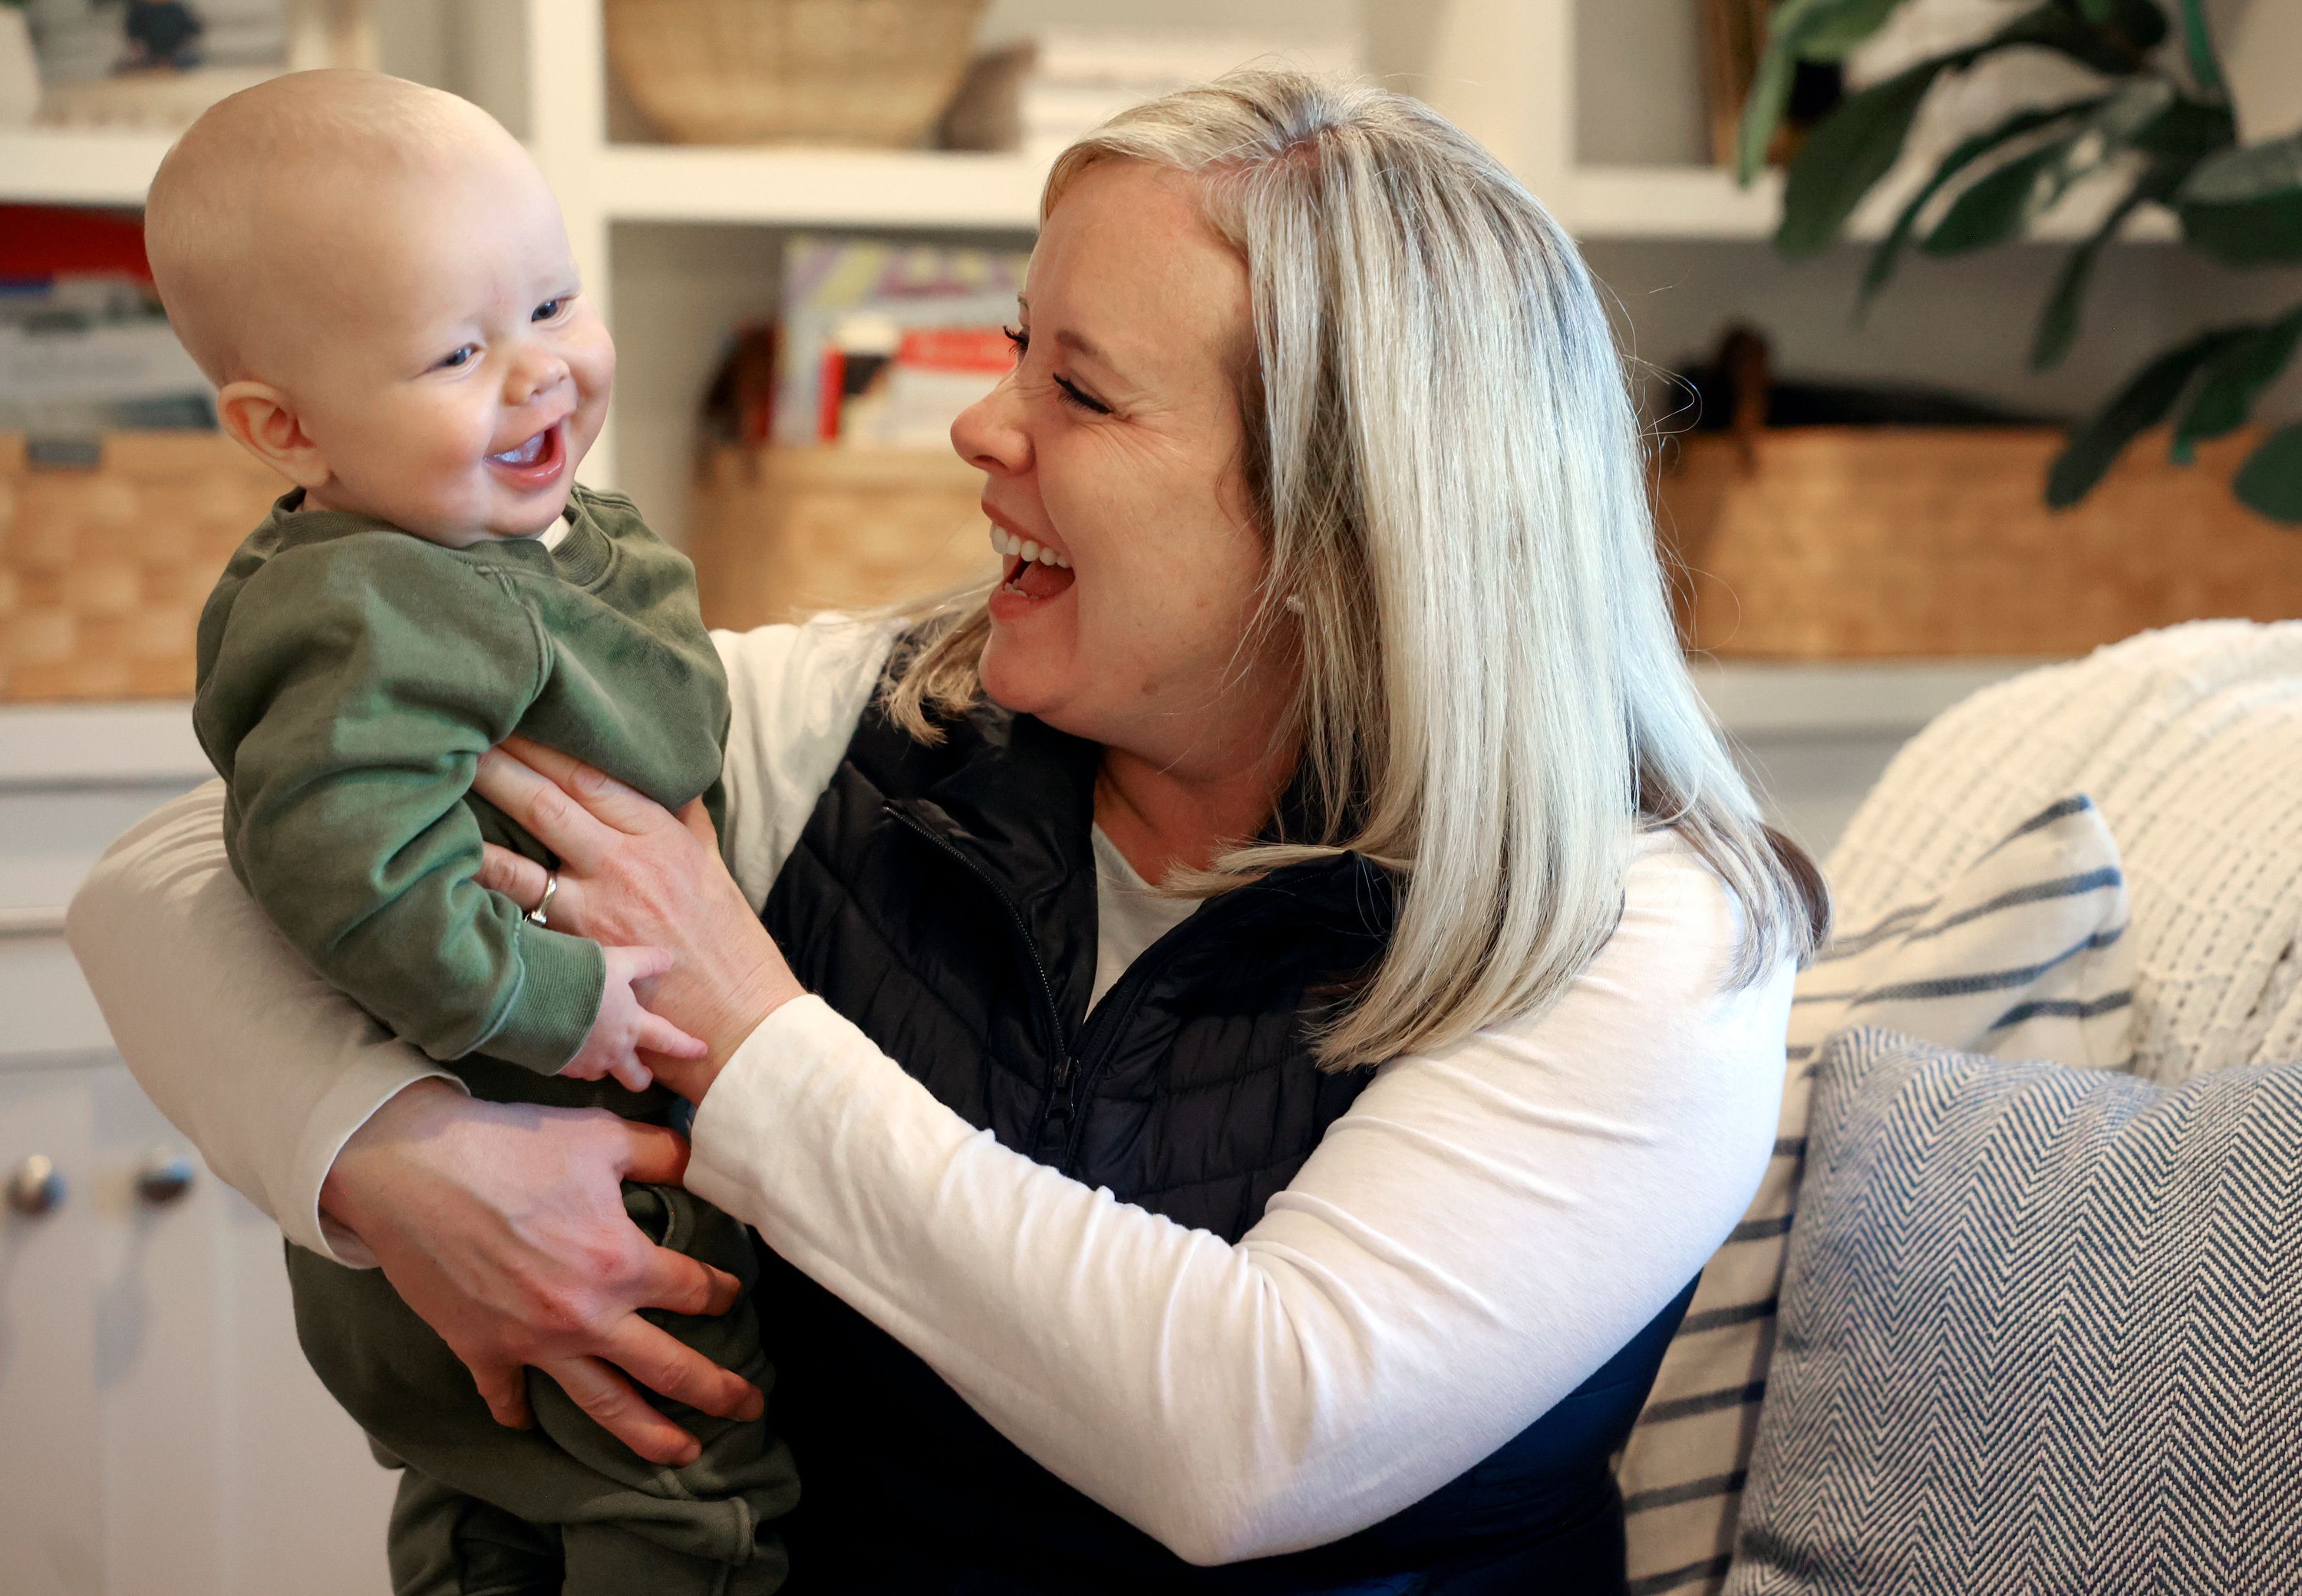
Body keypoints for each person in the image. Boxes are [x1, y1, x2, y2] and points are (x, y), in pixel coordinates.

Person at [72, 69, 1825, 1593]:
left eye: (1083, 391)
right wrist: (388, 1148)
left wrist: (754, 1038)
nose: (982, 429)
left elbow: (1252, 1429)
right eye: (1013, 355)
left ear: (1351, 515)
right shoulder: (863, 720)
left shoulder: (1645, 934)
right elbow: (168, 877)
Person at [137, 68, 795, 1595]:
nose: (544, 373)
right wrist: (557, 996)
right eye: (457, 350)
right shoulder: (378, 604)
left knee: (489, 1509)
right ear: (283, 422)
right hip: (558, 1167)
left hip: (489, 1221)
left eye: (556, 303)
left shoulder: (466, 548)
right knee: (701, 1507)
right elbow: (332, 858)